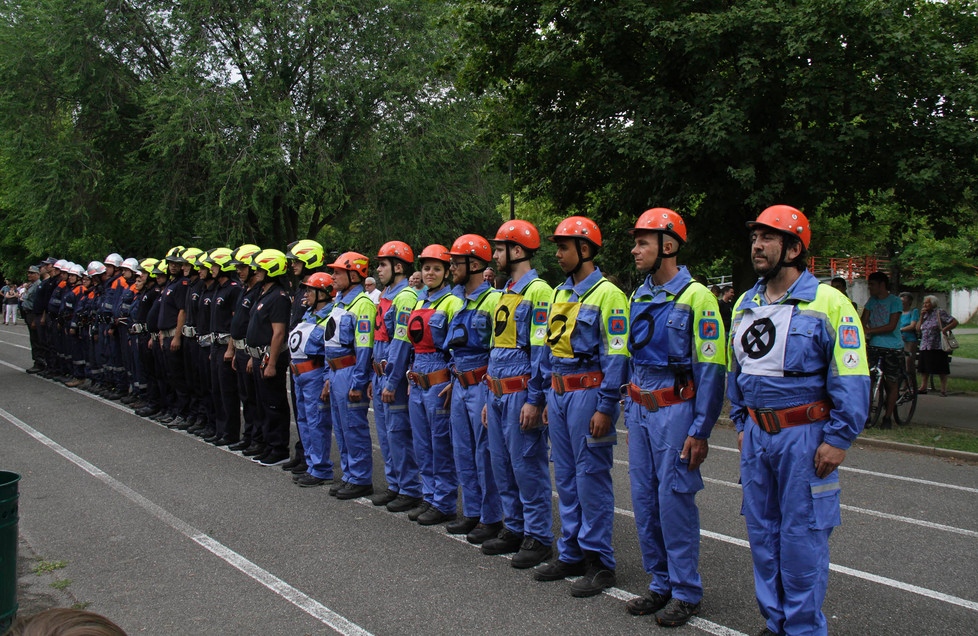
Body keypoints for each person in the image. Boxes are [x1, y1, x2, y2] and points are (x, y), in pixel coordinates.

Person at [728, 205, 869, 636]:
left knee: (803, 538)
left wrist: (840, 437)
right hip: (757, 435)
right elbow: (738, 371)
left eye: (768, 238)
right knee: (763, 536)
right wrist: (740, 422)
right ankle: (776, 622)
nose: (757, 245)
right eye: (755, 238)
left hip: (805, 437)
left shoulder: (829, 303)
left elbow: (851, 375)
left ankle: (804, 629)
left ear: (793, 247)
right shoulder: (744, 304)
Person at [623, 208, 727, 627]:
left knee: (674, 501)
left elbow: (712, 368)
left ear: (669, 245)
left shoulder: (697, 297)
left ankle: (686, 591)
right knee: (645, 500)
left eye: (642, 242)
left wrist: (700, 429)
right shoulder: (638, 295)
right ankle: (660, 582)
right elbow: (632, 356)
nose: (634, 250)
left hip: (676, 410)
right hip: (641, 409)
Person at [536, 216, 629, 598]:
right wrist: (542, 395)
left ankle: (599, 561)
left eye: (564, 247)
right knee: (568, 479)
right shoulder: (559, 293)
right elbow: (548, 349)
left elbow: (617, 355)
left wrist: (606, 406)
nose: (558, 254)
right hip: (559, 394)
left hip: (589, 393)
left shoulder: (609, 295)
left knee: (591, 477)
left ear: (586, 250)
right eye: (557, 247)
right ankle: (570, 551)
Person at [482, 220, 554, 565]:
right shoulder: (504, 292)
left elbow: (541, 350)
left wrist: (535, 398)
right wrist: (488, 394)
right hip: (496, 392)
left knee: (527, 464)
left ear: (517, 250)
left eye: (499, 249)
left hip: (519, 391)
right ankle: (514, 525)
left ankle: (538, 535)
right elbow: (496, 348)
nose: (494, 255)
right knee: (502, 463)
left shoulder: (539, 291)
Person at [400, 244, 463, 524]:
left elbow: (459, 348)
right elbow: (412, 347)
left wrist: (454, 377)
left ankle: (444, 501)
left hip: (439, 381)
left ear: (446, 272)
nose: (430, 272)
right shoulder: (418, 301)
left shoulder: (452, 303)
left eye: (437, 268)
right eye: (426, 268)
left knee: (440, 445)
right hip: (418, 380)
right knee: (422, 443)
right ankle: (428, 496)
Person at [444, 234, 502, 537]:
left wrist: (490, 390)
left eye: (457, 261)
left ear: (476, 263)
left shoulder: (494, 300)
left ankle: (491, 517)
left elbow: (498, 349)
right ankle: (472, 510)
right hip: (460, 382)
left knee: (484, 452)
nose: (451, 266)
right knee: (462, 449)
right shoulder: (458, 302)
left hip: (481, 382)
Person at [321, 251, 377, 500]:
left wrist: (358, 381)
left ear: (354, 274)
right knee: (342, 428)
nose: (333, 276)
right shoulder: (340, 303)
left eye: (337, 272)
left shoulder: (362, 304)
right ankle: (349, 474)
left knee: (354, 426)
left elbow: (364, 347)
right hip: (335, 372)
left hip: (349, 371)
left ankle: (361, 478)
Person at [373, 241, 423, 510]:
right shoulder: (386, 293)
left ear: (399, 267)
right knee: (386, 434)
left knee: (399, 433)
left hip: (394, 375)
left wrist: (391, 380)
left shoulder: (405, 297)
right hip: (380, 373)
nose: (378, 269)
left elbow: (401, 343)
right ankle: (395, 484)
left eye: (383, 264)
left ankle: (410, 488)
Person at [245, 248, 293, 466]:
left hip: (269, 357)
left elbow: (279, 333)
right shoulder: (263, 293)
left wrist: (272, 362)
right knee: (262, 402)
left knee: (274, 403)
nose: (256, 272)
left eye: (261, 269)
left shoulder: (278, 297)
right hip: (257, 356)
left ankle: (278, 447)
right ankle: (266, 442)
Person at [288, 272, 336, 487]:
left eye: (309, 290)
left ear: (323, 293)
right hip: (299, 374)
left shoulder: (330, 317)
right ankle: (311, 464)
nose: (305, 294)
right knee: (304, 421)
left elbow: (331, 351)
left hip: (315, 374)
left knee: (317, 422)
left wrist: (327, 379)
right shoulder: (308, 315)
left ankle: (321, 468)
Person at [862, 271, 903, 429]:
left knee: (891, 382)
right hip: (874, 346)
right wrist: (864, 328)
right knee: (869, 380)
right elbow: (863, 321)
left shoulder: (895, 301)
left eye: (872, 284)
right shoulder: (872, 301)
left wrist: (870, 331)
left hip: (892, 347)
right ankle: (866, 414)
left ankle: (887, 417)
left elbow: (891, 326)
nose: (870, 287)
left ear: (882, 285)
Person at [916, 295, 958, 396]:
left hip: (937, 345)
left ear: (933, 304)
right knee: (924, 367)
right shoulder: (925, 315)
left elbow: (955, 322)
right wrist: (921, 316)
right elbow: (918, 329)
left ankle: (943, 389)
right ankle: (923, 386)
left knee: (941, 367)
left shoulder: (939, 312)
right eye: (924, 303)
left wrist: (944, 329)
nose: (925, 305)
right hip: (925, 345)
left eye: (927, 303)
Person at [898, 292, 919, 377]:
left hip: (909, 340)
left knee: (908, 364)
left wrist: (900, 330)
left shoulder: (913, 311)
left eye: (904, 300)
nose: (902, 302)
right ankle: (902, 386)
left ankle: (910, 385)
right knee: (899, 364)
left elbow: (912, 326)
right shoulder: (898, 312)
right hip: (899, 340)